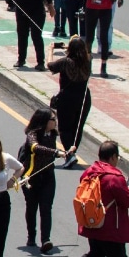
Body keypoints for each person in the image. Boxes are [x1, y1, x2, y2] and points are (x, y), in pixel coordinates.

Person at [57, 140, 129, 257]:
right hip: (111, 227)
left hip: (93, 223)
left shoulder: (90, 172)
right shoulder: (114, 177)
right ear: (112, 157)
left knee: (95, 254)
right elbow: (125, 202)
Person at [22, 108, 65, 252]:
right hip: (31, 177)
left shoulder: (53, 135)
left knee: (46, 207)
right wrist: (55, 152)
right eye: (53, 119)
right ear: (44, 121)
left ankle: (46, 239)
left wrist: (67, 152)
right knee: (32, 206)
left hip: (47, 176)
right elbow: (35, 147)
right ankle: (31, 236)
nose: (55, 122)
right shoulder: (32, 134)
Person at [1, 0, 53, 70]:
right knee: (22, 35)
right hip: (21, 12)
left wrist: (51, 7)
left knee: (36, 36)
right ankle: (21, 59)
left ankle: (40, 62)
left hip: (36, 12)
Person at [48, 36, 93, 168]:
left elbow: (50, 65)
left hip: (67, 99)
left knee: (65, 128)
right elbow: (82, 52)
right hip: (84, 98)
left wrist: (51, 49)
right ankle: (73, 152)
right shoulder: (88, 60)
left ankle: (69, 154)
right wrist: (70, 47)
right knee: (77, 128)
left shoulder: (66, 62)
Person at [79, 0, 122, 77]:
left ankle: (103, 66)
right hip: (91, 8)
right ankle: (88, 64)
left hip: (106, 9)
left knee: (104, 37)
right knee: (89, 37)